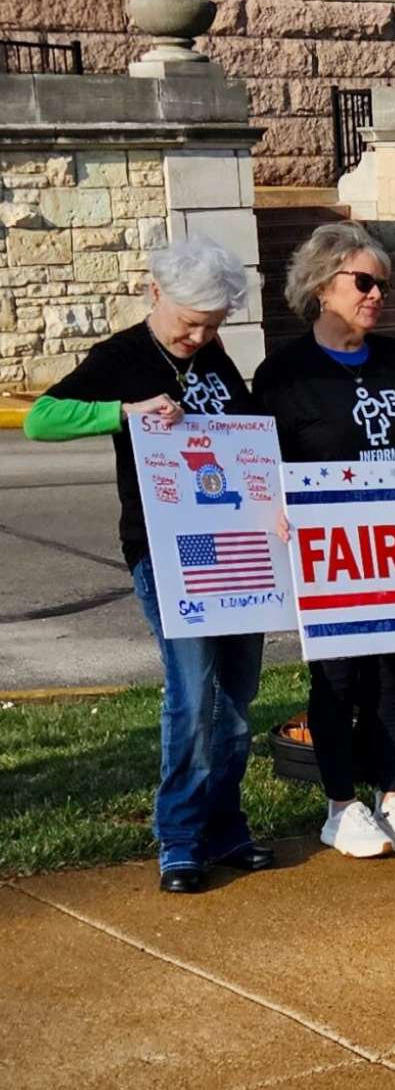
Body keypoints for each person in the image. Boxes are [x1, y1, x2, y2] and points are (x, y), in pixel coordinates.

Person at [24, 237, 272, 895]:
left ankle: (225, 824)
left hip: (240, 547)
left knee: (239, 695)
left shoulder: (213, 356)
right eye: (189, 320)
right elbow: (41, 421)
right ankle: (182, 837)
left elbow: (243, 437)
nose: (198, 335)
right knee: (193, 693)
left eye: (213, 324)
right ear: (154, 293)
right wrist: (123, 412)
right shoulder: (123, 358)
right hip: (167, 550)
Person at [255, 221, 395, 860]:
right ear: (321, 285)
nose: (375, 295)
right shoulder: (283, 373)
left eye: (382, 285)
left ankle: (392, 794)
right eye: (362, 282)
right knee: (336, 677)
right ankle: (340, 805)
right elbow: (263, 461)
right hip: (330, 552)